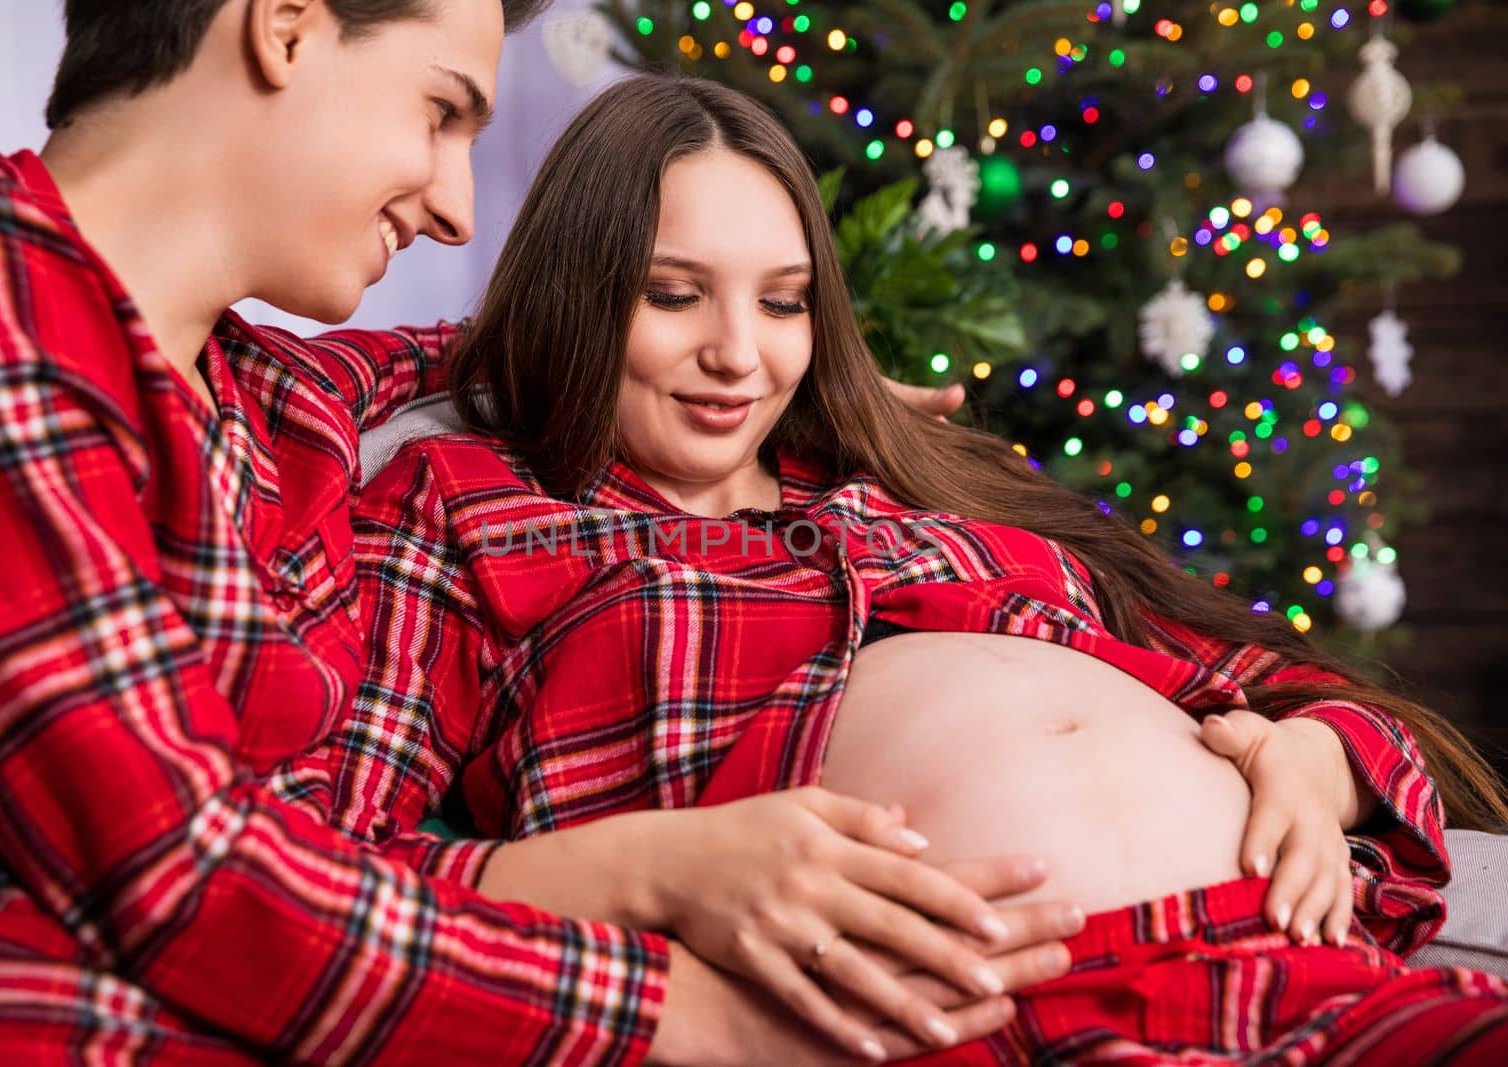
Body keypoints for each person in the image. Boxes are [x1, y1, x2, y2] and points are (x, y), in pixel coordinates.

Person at [0, 3, 1071, 1064]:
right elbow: (183, 874)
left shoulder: (275, 398)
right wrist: (691, 998)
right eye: (442, 111)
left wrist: (810, 385)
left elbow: (511, 343)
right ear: (287, 27)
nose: (459, 203)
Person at [319, 73, 1508, 1064]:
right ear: (577, 295)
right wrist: (646, 875)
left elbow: (1284, 684)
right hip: (961, 1013)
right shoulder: (467, 508)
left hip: (1284, 951)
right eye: (672, 295)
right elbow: (335, 876)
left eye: (785, 303)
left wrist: (1319, 755)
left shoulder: (908, 485)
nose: (739, 355)